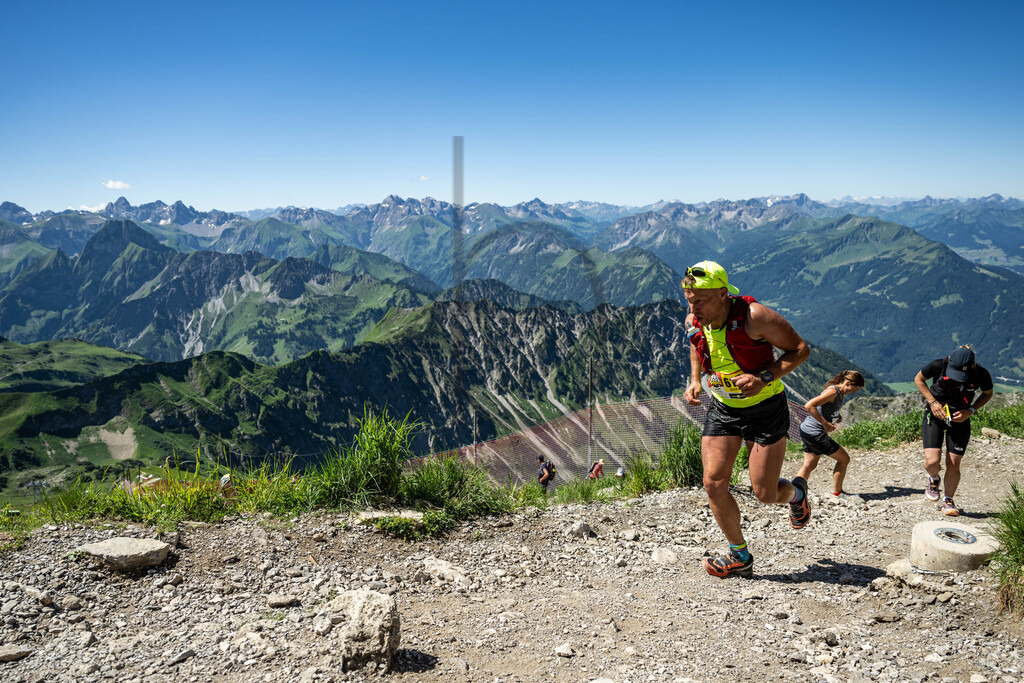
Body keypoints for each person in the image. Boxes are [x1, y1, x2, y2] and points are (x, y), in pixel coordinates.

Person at [682, 260, 810, 579]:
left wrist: (764, 377)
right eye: (689, 299)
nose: (693, 306)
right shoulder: (696, 319)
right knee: (713, 484)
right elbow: (697, 347)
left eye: (700, 299)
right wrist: (696, 379)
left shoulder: (755, 317)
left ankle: (797, 494)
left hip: (766, 409)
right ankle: (739, 555)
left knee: (765, 494)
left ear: (724, 294)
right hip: (724, 409)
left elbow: (800, 350)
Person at [913, 345, 993, 516]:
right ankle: (933, 479)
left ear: (972, 365)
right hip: (935, 416)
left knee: (953, 463)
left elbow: (987, 393)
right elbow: (919, 380)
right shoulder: (937, 365)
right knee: (932, 462)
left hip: (960, 419)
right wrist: (933, 403)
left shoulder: (981, 374)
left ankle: (948, 500)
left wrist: (970, 411)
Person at [797, 371, 865, 498]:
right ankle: (838, 493)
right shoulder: (833, 391)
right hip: (815, 433)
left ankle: (795, 492)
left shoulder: (837, 392)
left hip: (807, 431)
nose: (855, 392)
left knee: (809, 464)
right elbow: (809, 405)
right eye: (855, 388)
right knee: (844, 459)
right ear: (848, 383)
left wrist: (834, 416)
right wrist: (825, 423)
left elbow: (823, 408)